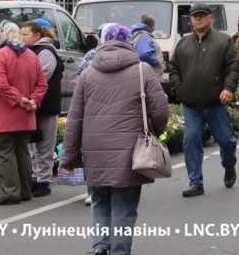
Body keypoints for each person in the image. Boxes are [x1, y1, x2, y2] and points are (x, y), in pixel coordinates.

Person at [60, 24, 168, 255]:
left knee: (99, 198)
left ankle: (100, 247)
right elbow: (160, 111)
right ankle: (119, 251)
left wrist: (69, 158)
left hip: (94, 150)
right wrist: (154, 132)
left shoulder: (87, 74)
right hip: (130, 149)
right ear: (128, 41)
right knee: (124, 204)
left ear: (102, 41)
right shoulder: (142, 70)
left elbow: (74, 119)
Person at [168, 3, 239, 196]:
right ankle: (196, 183)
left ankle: (229, 166)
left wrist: (228, 88)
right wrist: (179, 89)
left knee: (226, 141)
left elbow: (233, 67)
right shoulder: (183, 43)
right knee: (190, 140)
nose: (198, 18)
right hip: (191, 105)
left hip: (216, 103)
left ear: (211, 18)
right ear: (191, 20)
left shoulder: (223, 41)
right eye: (194, 16)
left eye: (202, 15)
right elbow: (173, 68)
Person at [0, 21, 48, 206]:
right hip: (26, 114)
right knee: (22, 152)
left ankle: (10, 193)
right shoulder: (31, 55)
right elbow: (42, 83)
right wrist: (33, 100)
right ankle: (24, 191)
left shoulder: (0, 55)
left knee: (4, 153)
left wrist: (18, 99)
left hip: (3, 114)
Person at [21, 19, 64, 198]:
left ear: (37, 35)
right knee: (33, 145)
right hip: (34, 105)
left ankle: (44, 182)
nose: (22, 37)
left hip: (46, 106)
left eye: (25, 34)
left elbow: (41, 77)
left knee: (44, 145)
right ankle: (35, 178)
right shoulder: (31, 50)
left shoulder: (45, 52)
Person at [131, 14, 164, 82]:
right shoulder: (144, 36)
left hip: (149, 75)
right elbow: (143, 54)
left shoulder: (142, 34)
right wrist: (156, 61)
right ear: (152, 26)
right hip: (152, 76)